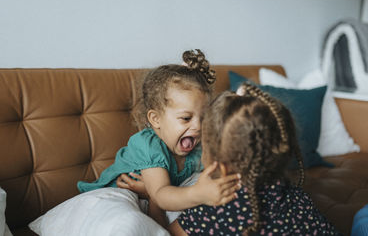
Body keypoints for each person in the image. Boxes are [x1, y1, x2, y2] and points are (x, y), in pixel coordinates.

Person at [77, 49, 241, 228]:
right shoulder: (148, 145)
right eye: (186, 118)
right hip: (119, 193)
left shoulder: (198, 145)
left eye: (203, 118)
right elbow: (161, 195)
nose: (198, 126)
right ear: (156, 119)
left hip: (154, 196)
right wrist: (198, 194)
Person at [167, 83, 342, 235]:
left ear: (221, 166)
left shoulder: (211, 210)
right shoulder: (299, 199)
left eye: (203, 145)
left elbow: (164, 233)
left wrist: (154, 200)